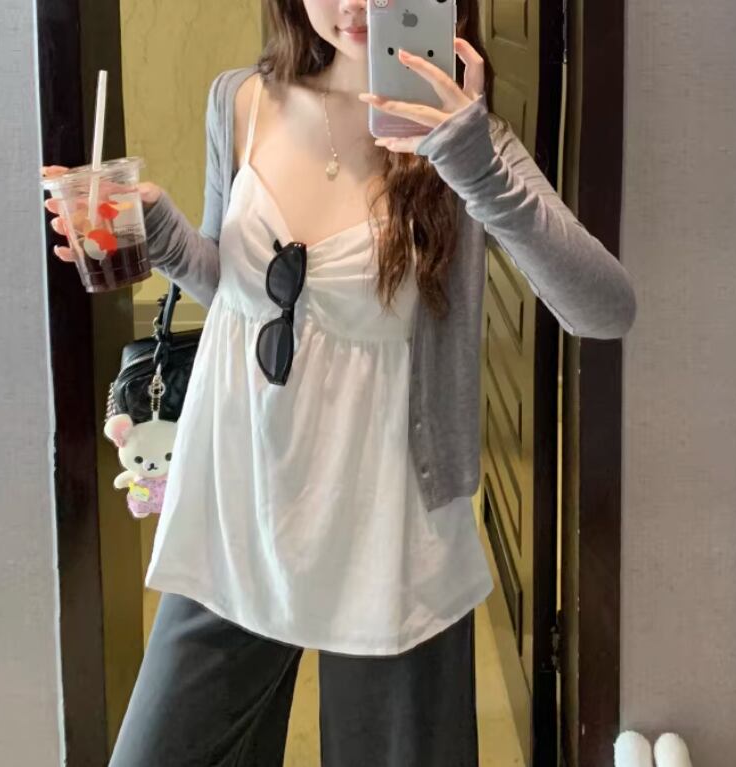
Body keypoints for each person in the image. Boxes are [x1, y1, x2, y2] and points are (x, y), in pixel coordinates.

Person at [43, 1, 637, 764]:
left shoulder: (463, 136)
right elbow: (237, 293)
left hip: (388, 530)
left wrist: (470, 162)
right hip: (237, 501)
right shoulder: (239, 99)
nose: (355, 4)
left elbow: (604, 311)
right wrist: (162, 237)